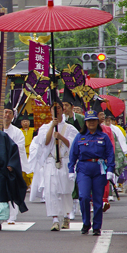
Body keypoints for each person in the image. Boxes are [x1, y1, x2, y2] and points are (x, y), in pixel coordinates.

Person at [33, 94, 79, 231]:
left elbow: (73, 144)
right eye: (54, 108)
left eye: (59, 107)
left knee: (65, 190)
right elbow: (45, 142)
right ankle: (54, 219)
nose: (57, 110)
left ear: (63, 110)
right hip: (50, 162)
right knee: (51, 190)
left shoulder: (70, 128)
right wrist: (52, 126)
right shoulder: (44, 127)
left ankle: (66, 216)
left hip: (64, 161)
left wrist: (61, 137)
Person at [68, 109, 115, 236]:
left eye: (94, 120)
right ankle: (86, 223)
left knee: (98, 200)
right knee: (83, 196)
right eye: (89, 121)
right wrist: (70, 170)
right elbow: (73, 154)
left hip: (99, 168)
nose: (91, 123)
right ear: (85, 123)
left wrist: (110, 170)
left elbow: (110, 154)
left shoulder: (103, 137)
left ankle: (97, 226)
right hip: (84, 168)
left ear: (97, 121)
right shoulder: (79, 137)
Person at [1, 101, 30, 224]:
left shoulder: (17, 132)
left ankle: (12, 216)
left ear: (13, 116)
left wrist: (11, 164)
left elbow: (19, 149)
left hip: (11, 166)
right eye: (5, 112)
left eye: (9, 113)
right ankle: (0, 215)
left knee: (12, 189)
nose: (7, 115)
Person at [63, 88, 84, 219]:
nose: (64, 108)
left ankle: (78, 203)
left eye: (66, 105)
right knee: (68, 179)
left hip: (81, 153)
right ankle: (70, 206)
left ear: (72, 106)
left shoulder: (81, 119)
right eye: (62, 105)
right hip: (66, 154)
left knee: (80, 180)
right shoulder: (61, 121)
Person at [19, 112, 34, 189]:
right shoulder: (18, 131)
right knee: (23, 170)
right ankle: (24, 185)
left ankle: (31, 184)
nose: (25, 123)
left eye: (27, 121)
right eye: (24, 121)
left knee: (31, 169)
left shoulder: (33, 130)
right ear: (21, 123)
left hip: (30, 152)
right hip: (22, 153)